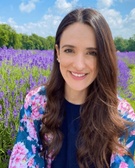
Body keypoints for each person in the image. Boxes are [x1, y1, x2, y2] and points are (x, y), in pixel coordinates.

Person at [9, 8, 135, 168]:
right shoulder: (36, 103)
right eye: (69, 50)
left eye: (92, 53)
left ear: (103, 57)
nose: (79, 64)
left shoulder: (122, 117)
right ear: (58, 53)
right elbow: (23, 160)